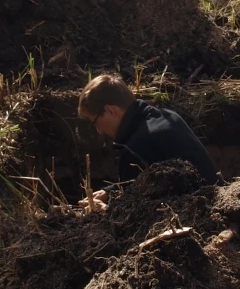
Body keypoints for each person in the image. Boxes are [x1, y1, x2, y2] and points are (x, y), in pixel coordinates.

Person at [77, 74, 220, 202]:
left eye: (95, 122)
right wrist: (110, 192)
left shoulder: (137, 147)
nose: (99, 130)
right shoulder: (167, 117)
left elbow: (133, 217)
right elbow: (143, 182)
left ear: (110, 111)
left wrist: (104, 211)